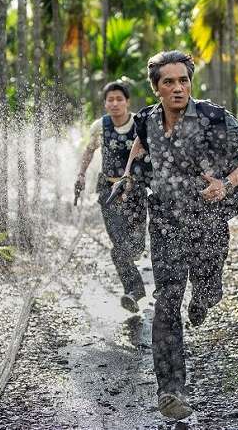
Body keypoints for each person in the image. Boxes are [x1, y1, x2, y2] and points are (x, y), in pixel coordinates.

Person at [117, 51, 238, 420]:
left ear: (190, 83)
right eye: (168, 82)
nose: (177, 88)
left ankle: (205, 296)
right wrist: (127, 176)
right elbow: (139, 144)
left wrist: (227, 183)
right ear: (156, 88)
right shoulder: (147, 121)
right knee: (167, 299)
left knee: (206, 287)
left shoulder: (213, 118)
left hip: (209, 221)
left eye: (183, 80)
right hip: (167, 223)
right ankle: (170, 391)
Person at [74, 82, 148, 313]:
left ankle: (135, 286)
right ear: (105, 103)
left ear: (127, 102)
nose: (114, 104)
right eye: (110, 100)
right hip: (108, 192)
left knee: (135, 246)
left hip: (135, 192)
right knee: (118, 248)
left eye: (119, 99)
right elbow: (89, 150)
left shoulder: (140, 125)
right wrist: (81, 175)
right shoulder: (100, 126)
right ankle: (134, 291)